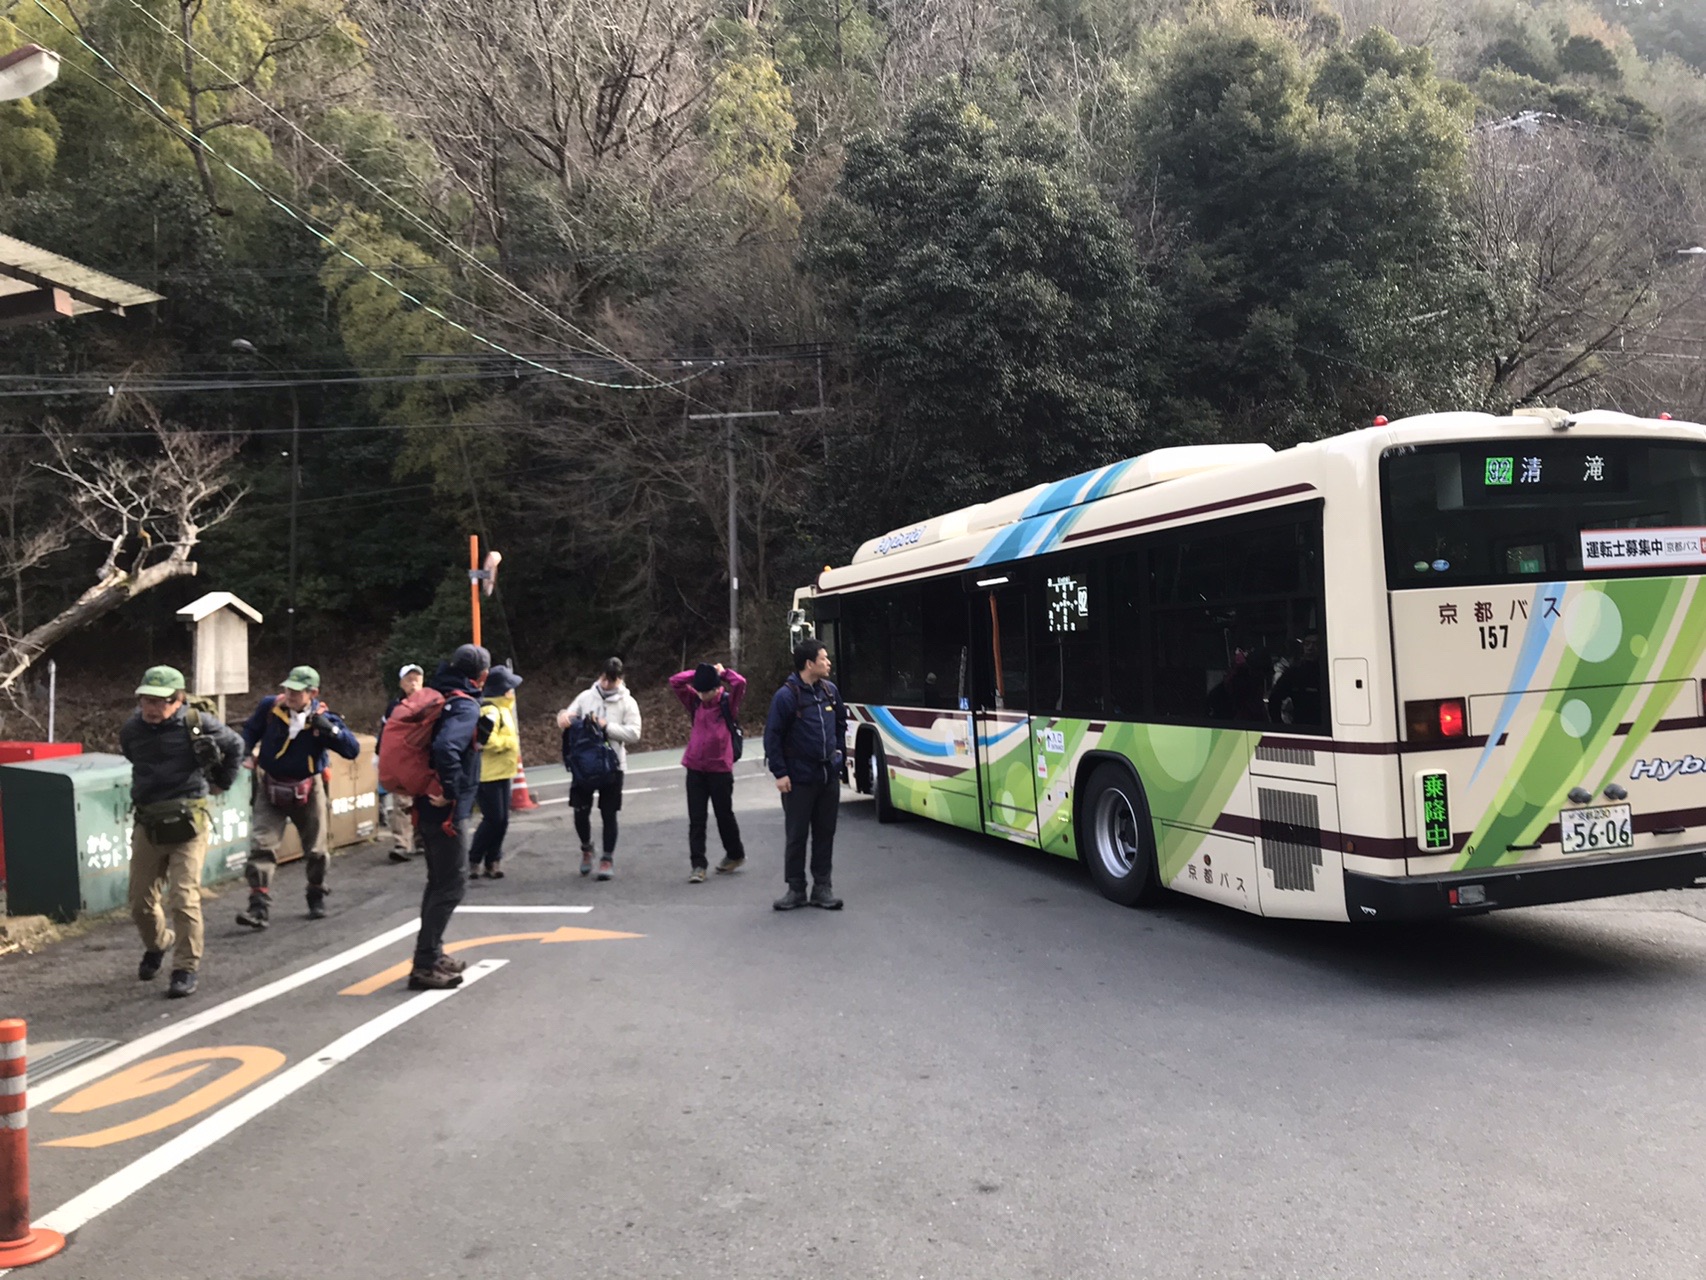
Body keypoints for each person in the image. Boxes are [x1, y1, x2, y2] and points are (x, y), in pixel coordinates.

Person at [119, 666, 243, 999]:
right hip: (148, 819)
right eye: (146, 700)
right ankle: (159, 943)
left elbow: (235, 746)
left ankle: (185, 968)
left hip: (189, 819)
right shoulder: (133, 729)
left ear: (179, 700)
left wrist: (220, 784)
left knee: (183, 896)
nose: (151, 707)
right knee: (139, 901)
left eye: (160, 701)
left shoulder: (198, 724)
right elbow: (131, 754)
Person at [235, 665, 361, 929]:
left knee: (316, 850)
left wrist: (331, 731)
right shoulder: (271, 708)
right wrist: (245, 753)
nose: (289, 695)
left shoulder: (323, 718)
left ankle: (316, 892)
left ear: (312, 693)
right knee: (262, 845)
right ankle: (258, 907)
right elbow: (250, 730)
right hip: (270, 785)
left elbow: (352, 750)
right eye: (287, 689)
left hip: (307, 787)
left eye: (296, 692)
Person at [411, 643, 489, 989]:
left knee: (438, 883)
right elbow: (446, 747)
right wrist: (452, 792)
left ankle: (432, 953)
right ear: (481, 676)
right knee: (451, 886)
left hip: (423, 800)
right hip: (444, 810)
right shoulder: (463, 705)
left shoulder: (435, 695)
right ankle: (425, 964)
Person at [763, 638, 847, 911]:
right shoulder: (786, 697)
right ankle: (795, 889)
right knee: (797, 835)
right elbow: (772, 736)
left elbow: (840, 725)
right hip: (798, 779)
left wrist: (840, 757)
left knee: (825, 833)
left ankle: (822, 888)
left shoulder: (830, 691)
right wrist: (780, 773)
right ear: (809, 664)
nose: (828, 662)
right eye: (823, 658)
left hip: (826, 776)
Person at [556, 657, 643, 880]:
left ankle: (607, 858)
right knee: (580, 812)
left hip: (612, 766)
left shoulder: (628, 702)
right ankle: (586, 848)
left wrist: (608, 727)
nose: (606, 685)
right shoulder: (586, 696)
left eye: (611, 681)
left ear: (620, 680)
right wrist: (563, 717)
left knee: (609, 813)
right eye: (604, 679)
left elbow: (634, 733)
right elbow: (566, 714)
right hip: (583, 765)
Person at [668, 662, 747, 883]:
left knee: (724, 814)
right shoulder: (694, 701)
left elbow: (740, 683)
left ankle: (735, 854)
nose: (702, 695)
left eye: (707, 691)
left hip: (720, 767)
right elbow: (675, 681)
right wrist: (700, 673)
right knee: (696, 818)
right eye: (699, 690)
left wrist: (721, 673)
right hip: (694, 766)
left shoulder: (726, 703)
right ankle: (698, 865)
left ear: (716, 687)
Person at [469, 664, 523, 879]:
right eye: (510, 688)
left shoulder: (504, 710)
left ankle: (493, 860)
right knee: (493, 819)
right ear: (502, 690)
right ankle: (474, 859)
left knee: (502, 820)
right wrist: (508, 743)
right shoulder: (490, 710)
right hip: (488, 774)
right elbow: (484, 741)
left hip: (503, 772)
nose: (513, 692)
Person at [378, 663, 426, 862]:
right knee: (402, 802)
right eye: (409, 679)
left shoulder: (432, 702)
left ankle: (423, 841)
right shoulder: (394, 707)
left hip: (424, 760)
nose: (413, 682)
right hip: (401, 760)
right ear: (401, 683)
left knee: (423, 802)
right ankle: (401, 844)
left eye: (417, 678)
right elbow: (384, 732)